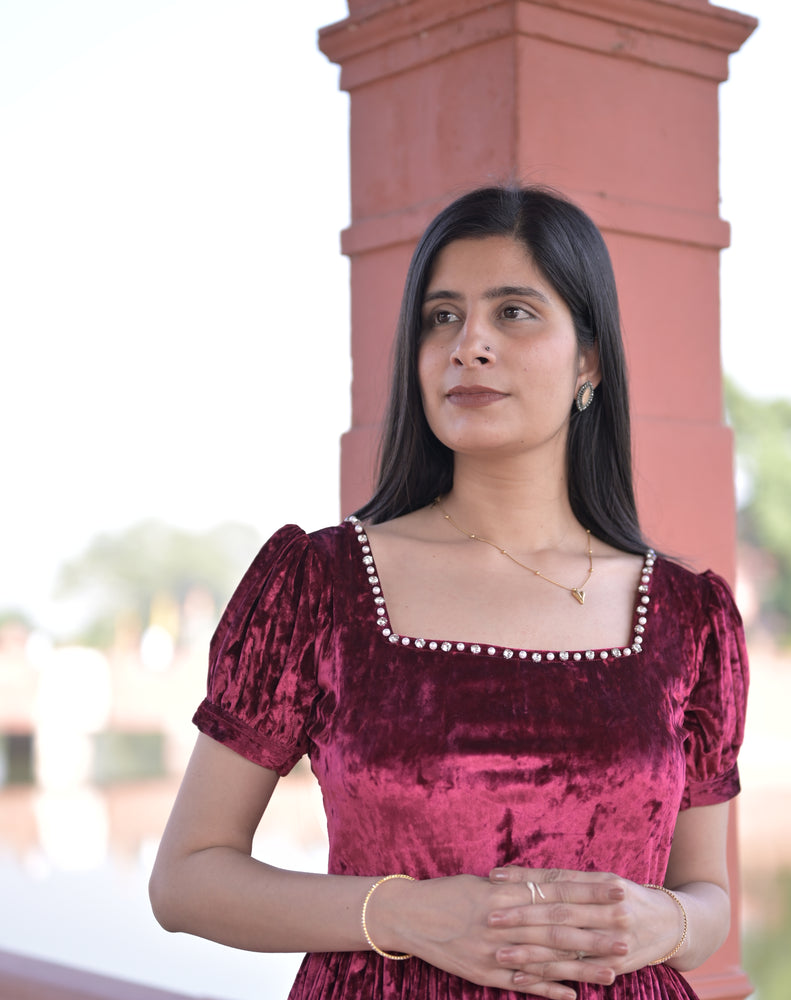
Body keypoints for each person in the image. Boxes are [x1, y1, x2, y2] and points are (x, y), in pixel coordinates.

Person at [149, 184, 749, 1000]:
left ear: (590, 359)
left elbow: (708, 897)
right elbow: (185, 880)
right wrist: (405, 915)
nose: (470, 345)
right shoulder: (319, 587)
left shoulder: (691, 618)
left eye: (514, 313)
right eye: (443, 317)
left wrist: (661, 925)